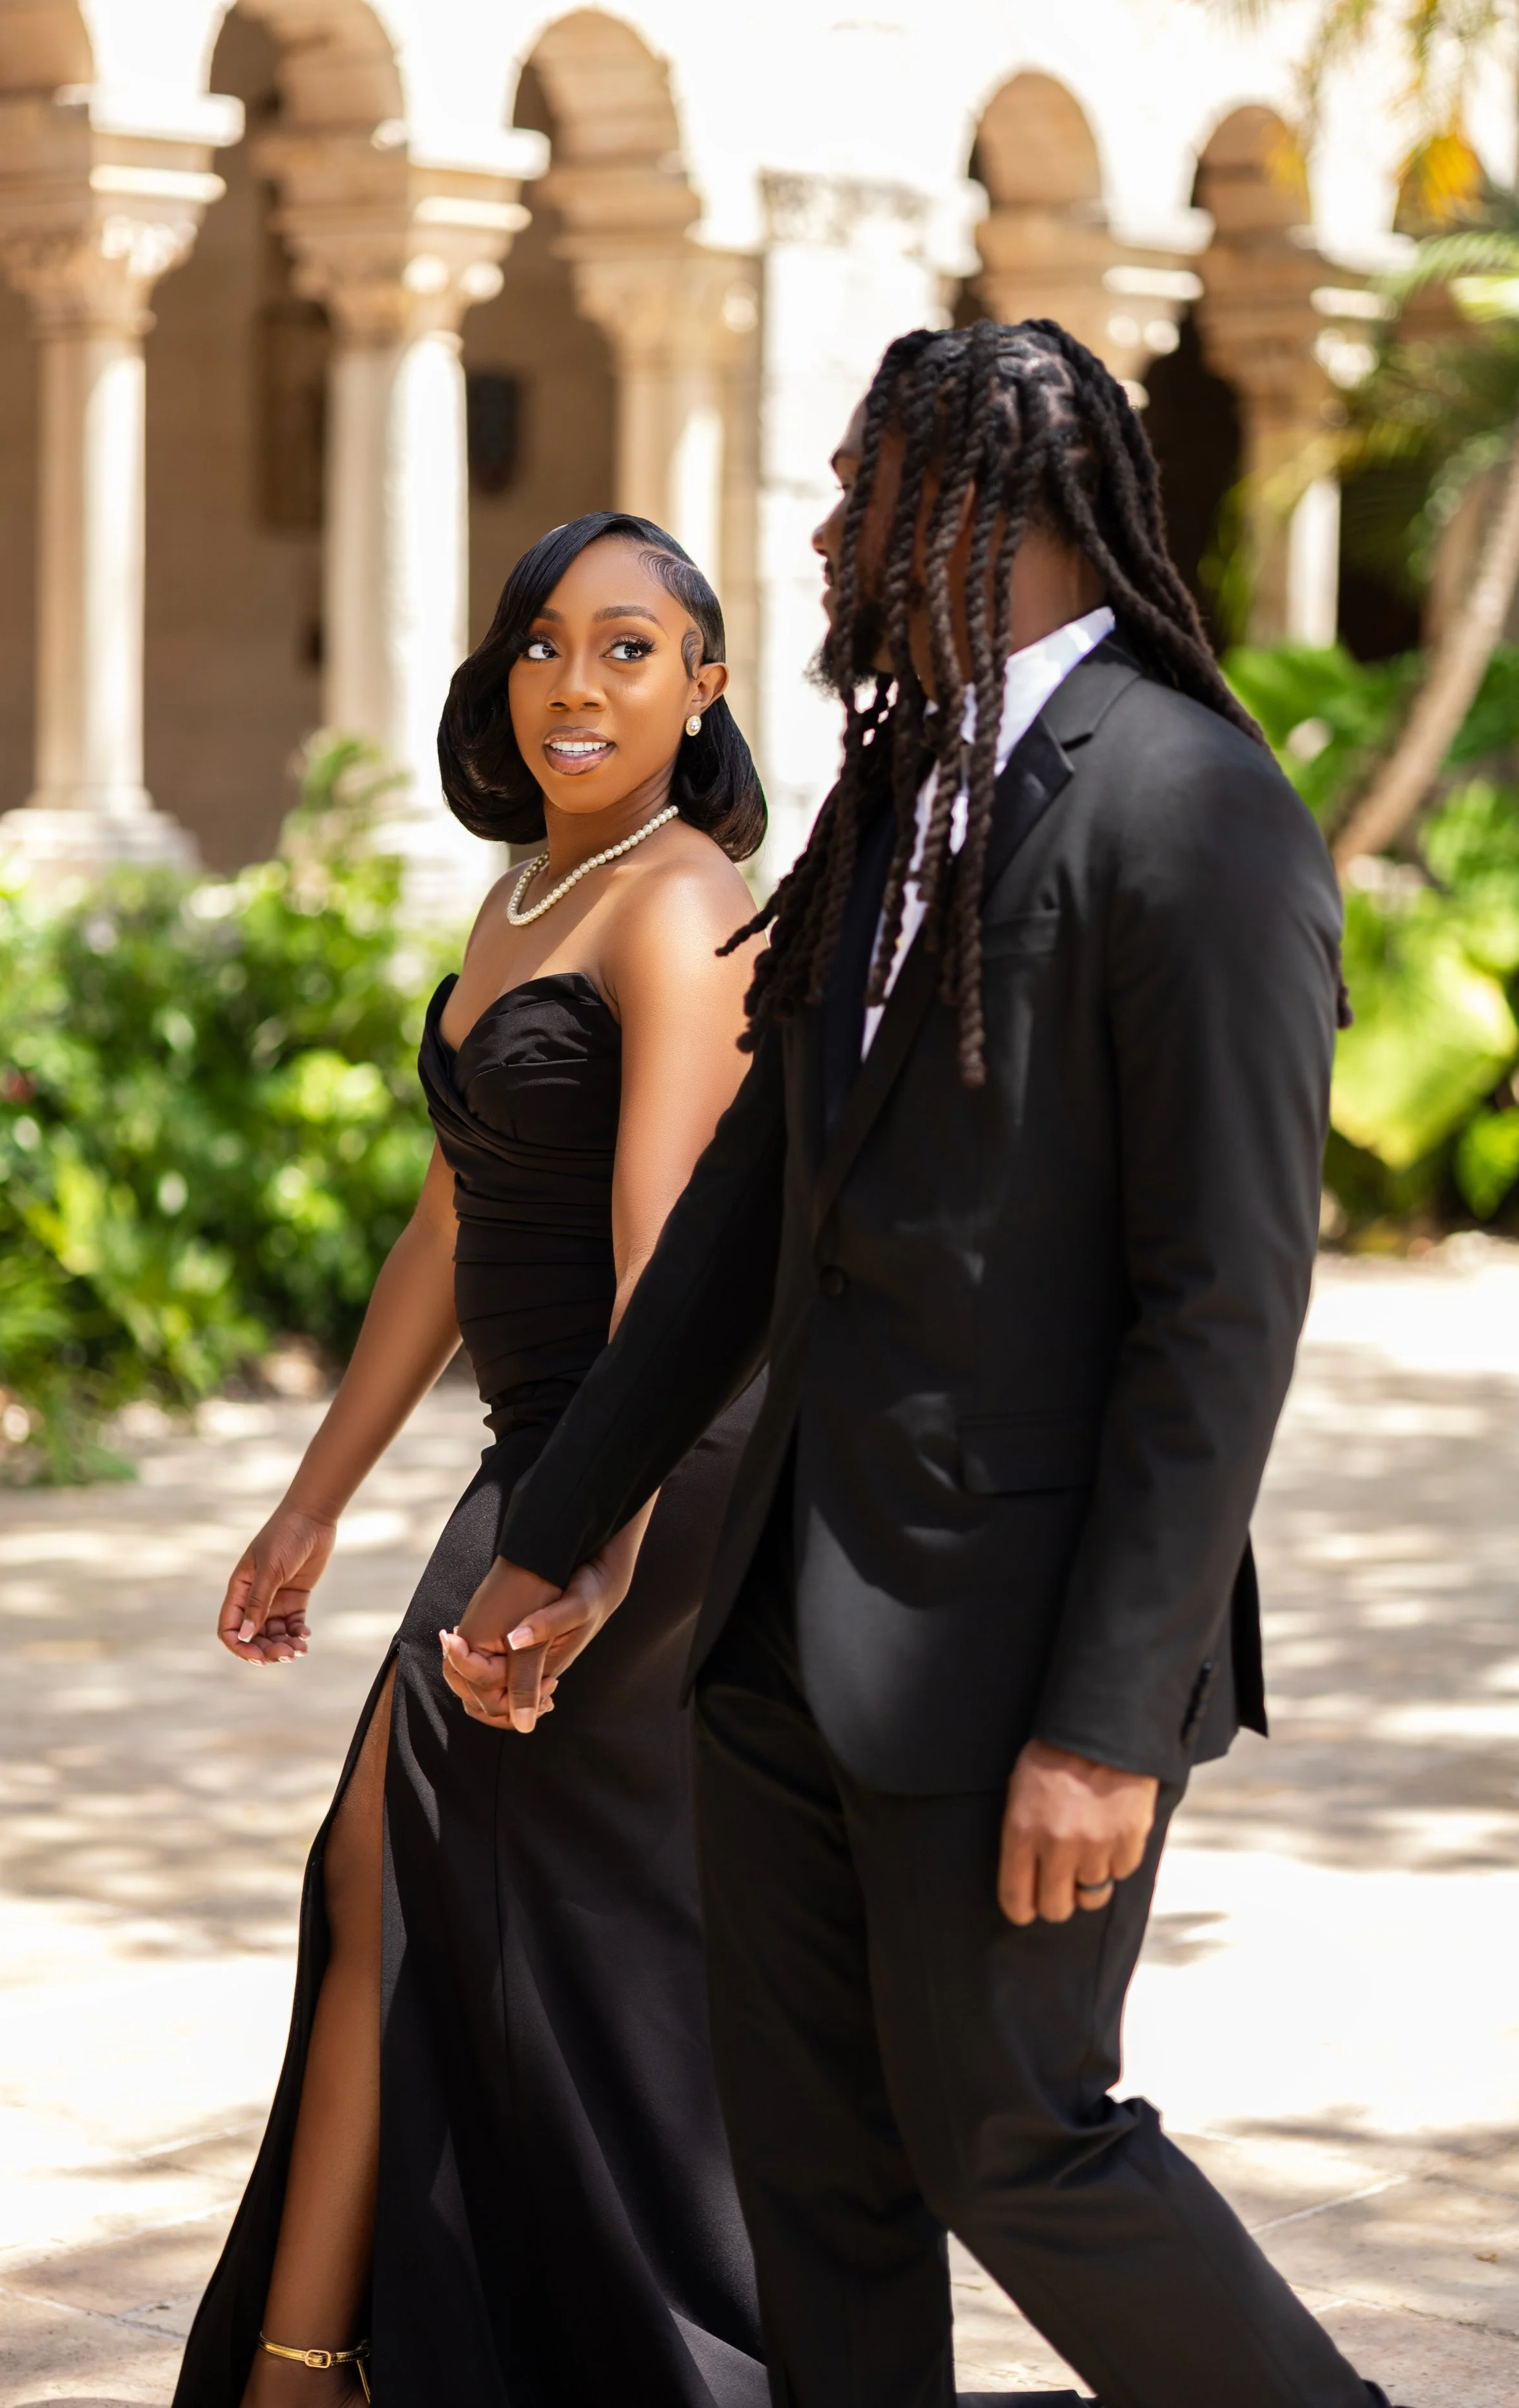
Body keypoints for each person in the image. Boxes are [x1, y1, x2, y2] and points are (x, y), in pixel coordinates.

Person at [447, 325, 1403, 2408]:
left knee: (1016, 2141)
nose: (817, 536)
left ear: (979, 507)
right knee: (819, 2182)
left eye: (853, 491)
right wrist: (562, 1523)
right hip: (777, 1633)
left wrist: (1105, 1720)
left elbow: (1220, 1307)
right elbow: (745, 1216)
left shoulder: (1197, 807)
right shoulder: (894, 786)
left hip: (1020, 1648)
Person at [173, 512, 770, 2408]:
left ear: (704, 685)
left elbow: (669, 1268)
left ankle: (315, 2370)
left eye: (627, 647)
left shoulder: (680, 902)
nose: (574, 686)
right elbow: (447, 1226)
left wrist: (601, 1538)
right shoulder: (527, 896)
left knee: (391, 1854)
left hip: (634, 1452)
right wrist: (314, 1499)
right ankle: (395, 2355)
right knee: (456, 1896)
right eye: (541, 645)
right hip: (544, 1447)